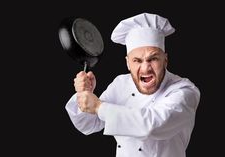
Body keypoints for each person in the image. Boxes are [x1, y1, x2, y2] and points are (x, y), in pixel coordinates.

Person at [65, 12, 200, 157]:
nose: (145, 68)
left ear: (165, 60)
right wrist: (84, 94)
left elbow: (153, 125)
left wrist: (98, 106)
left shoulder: (185, 91)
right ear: (128, 63)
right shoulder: (120, 84)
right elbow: (88, 125)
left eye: (153, 59)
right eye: (137, 60)